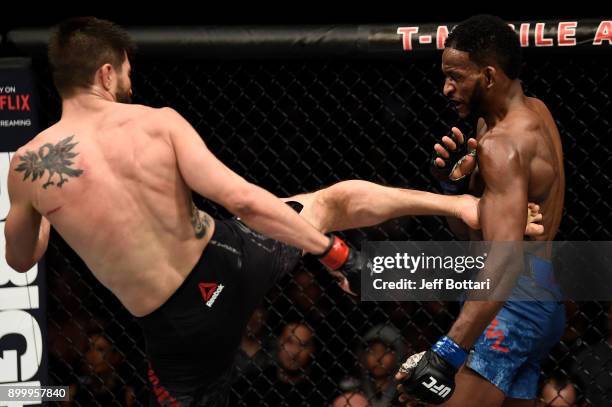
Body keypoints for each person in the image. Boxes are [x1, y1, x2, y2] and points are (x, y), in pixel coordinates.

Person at [4, 16, 543, 406]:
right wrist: (335, 253)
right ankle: (460, 205)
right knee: (328, 202)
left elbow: (23, 258)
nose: (129, 84)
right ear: (104, 73)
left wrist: (47, 212)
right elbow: (241, 198)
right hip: (228, 265)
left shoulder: (28, 167)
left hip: (174, 334)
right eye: (124, 73)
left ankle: (456, 203)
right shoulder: (156, 122)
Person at [395, 15, 566, 406]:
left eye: (456, 77)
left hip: (511, 302)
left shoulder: (502, 144)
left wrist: (448, 352)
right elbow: (477, 233)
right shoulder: (533, 113)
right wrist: (456, 188)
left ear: (488, 76)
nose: (446, 88)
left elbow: (502, 260)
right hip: (538, 292)